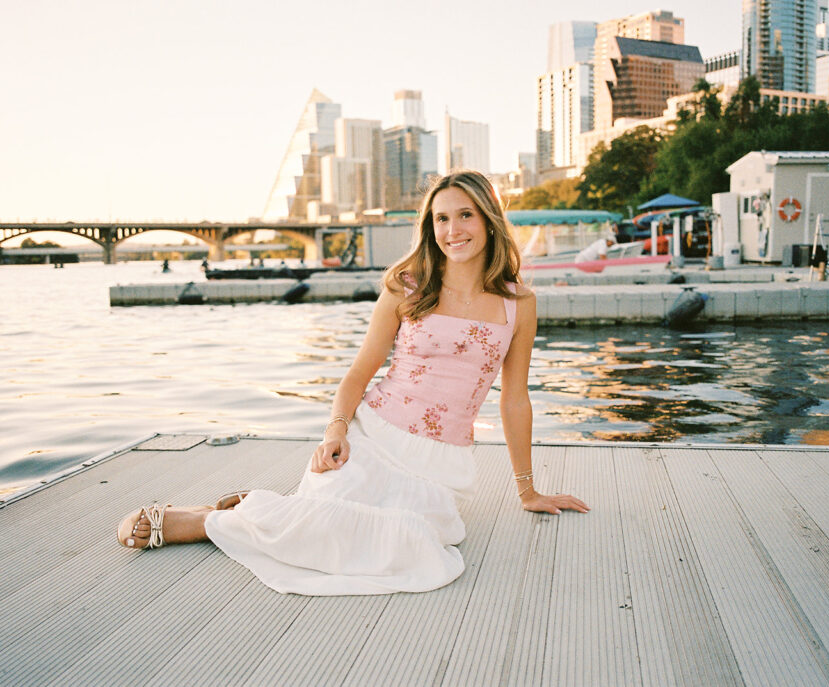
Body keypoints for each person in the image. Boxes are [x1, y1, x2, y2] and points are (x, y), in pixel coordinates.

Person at [116, 170, 590, 596]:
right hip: (372, 438)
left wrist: (527, 491)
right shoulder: (406, 286)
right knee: (330, 525)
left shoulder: (517, 303)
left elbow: (514, 399)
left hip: (441, 463)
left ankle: (254, 510)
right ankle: (203, 520)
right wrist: (337, 432)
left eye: (464, 215)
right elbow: (360, 373)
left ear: (489, 219)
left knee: (415, 549)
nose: (452, 230)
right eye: (441, 219)